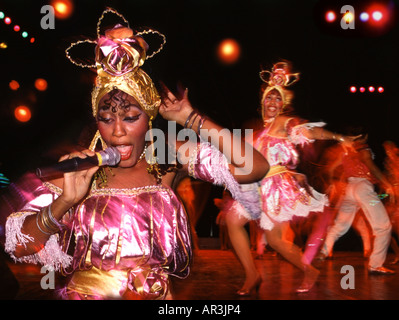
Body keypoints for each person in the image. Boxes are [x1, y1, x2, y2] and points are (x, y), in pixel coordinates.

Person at [3, 9, 269, 300]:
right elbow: (20, 246)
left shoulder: (167, 157)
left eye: (130, 117)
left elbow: (255, 167)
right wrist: (66, 201)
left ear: (149, 115)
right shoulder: (82, 170)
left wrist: (191, 118)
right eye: (106, 119)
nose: (118, 132)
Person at [225, 61, 357, 295]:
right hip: (254, 186)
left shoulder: (285, 123)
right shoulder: (259, 132)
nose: (273, 102)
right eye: (269, 98)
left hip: (275, 188)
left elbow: (311, 132)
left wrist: (338, 137)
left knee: (276, 241)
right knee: (233, 221)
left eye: (278, 99)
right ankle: (252, 275)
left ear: (283, 103)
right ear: (263, 100)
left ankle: (309, 270)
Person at [319, 134, 395, 274]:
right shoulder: (363, 148)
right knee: (383, 227)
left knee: (340, 226)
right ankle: (375, 265)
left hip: (350, 190)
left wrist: (331, 184)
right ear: (365, 136)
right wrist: (386, 184)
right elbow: (370, 164)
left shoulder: (345, 150)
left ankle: (322, 253)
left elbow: (329, 169)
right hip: (363, 188)